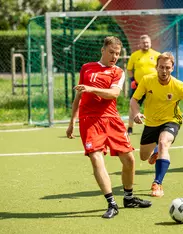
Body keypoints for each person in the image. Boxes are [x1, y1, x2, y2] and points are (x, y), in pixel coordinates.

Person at [66, 36, 151, 219]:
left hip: (111, 118)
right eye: (111, 52)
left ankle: (128, 198)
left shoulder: (117, 71)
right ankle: (112, 203)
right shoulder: (86, 68)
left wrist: (91, 89)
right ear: (103, 50)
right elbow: (78, 97)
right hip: (89, 120)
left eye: (118, 54)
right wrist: (72, 121)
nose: (114, 56)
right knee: (96, 159)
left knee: (129, 160)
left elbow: (114, 94)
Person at [130, 52, 183, 197]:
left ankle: (157, 183)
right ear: (156, 67)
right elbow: (134, 100)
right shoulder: (147, 80)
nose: (164, 71)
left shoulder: (178, 85)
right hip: (151, 123)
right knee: (144, 157)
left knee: (164, 143)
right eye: (161, 67)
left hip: (171, 121)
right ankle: (156, 151)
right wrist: (136, 113)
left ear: (172, 68)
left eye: (167, 67)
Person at [126, 34, 161, 135]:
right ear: (140, 44)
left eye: (147, 42)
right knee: (133, 106)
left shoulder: (157, 55)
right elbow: (129, 69)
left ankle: (155, 127)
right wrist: (132, 80)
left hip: (153, 85)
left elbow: (162, 68)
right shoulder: (135, 55)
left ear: (150, 43)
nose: (146, 44)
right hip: (138, 85)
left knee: (155, 106)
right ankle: (130, 128)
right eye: (143, 43)